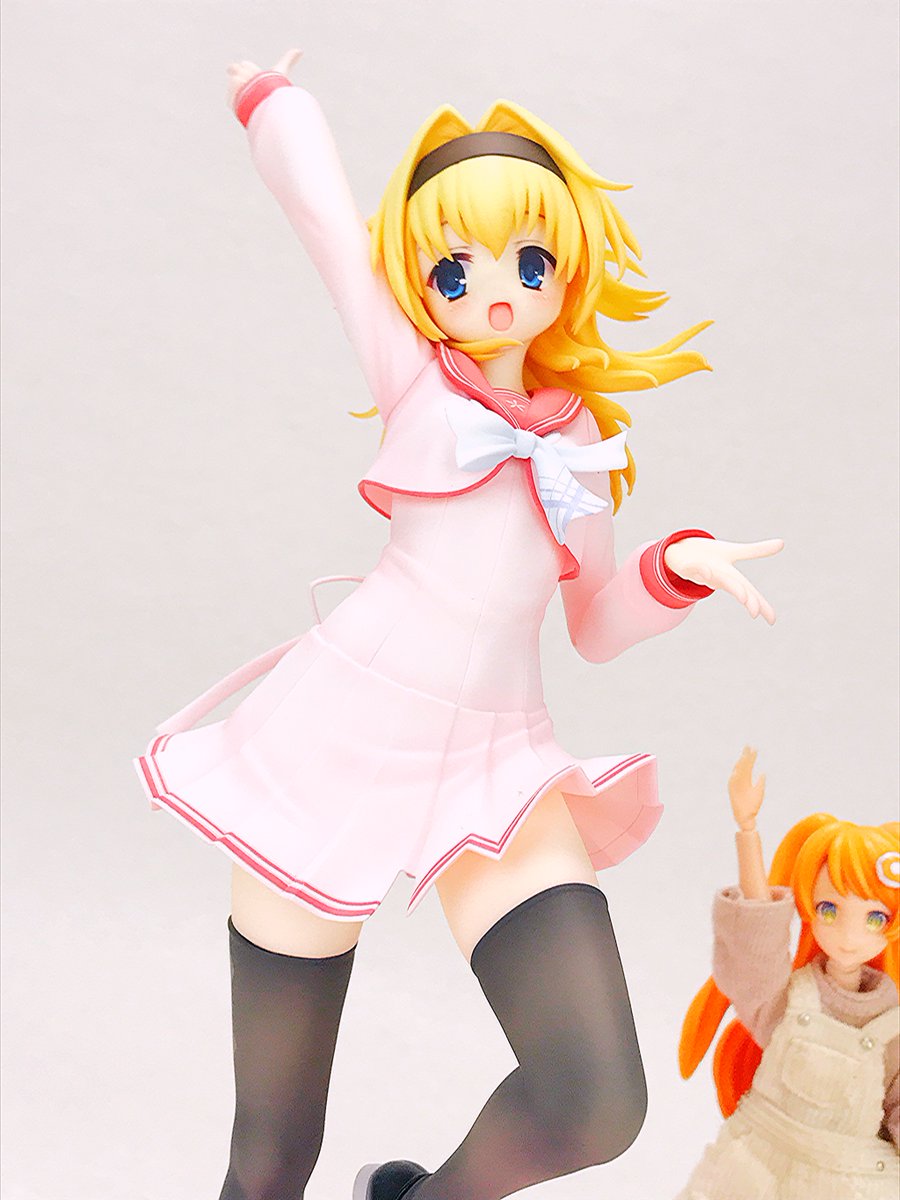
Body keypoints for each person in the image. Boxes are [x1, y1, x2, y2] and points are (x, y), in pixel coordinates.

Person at [135, 48, 783, 1200]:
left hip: (495, 765)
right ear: (421, 278)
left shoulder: (581, 445)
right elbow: (326, 220)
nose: (495, 290)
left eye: (529, 260)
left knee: (596, 1099)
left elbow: (594, 625)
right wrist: (270, 99)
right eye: (456, 264)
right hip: (332, 743)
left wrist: (675, 567)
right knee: (271, 1154)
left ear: (568, 270)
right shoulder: (416, 377)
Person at [677, 747, 900, 1199]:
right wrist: (748, 832)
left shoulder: (892, 1023)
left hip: (848, 1180)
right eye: (829, 909)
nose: (850, 936)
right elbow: (754, 950)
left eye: (874, 918)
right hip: (757, 1166)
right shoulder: (788, 999)